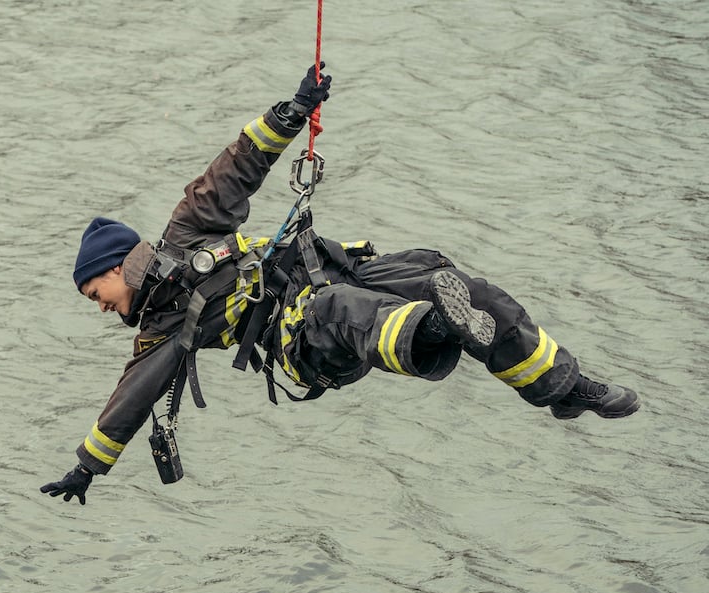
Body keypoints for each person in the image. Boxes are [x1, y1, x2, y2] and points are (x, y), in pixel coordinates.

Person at [41, 63, 639, 504]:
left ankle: (565, 388)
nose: (102, 309)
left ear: (118, 267)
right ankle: (437, 323)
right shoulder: (163, 328)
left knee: (441, 276)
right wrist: (87, 469)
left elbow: (237, 167)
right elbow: (131, 398)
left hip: (331, 274)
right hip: (306, 340)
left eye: (98, 295)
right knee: (341, 311)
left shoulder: (187, 228)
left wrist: (290, 113)